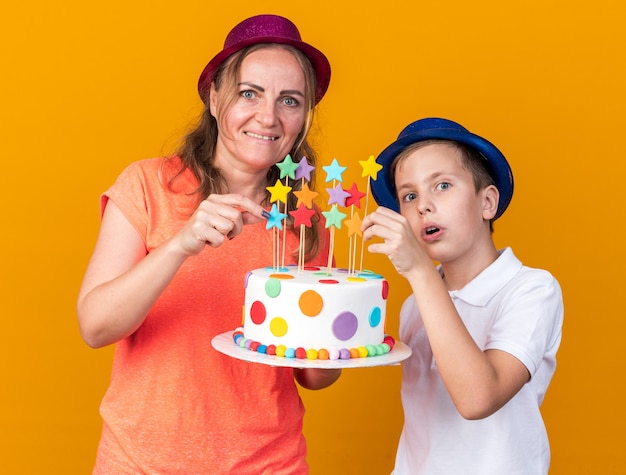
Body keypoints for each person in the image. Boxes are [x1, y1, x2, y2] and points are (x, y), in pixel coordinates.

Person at [77, 14, 341, 474]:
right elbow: (95, 327)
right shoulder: (147, 185)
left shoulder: (309, 222)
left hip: (269, 465)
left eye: (290, 100)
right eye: (249, 93)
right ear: (215, 96)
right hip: (140, 464)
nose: (268, 116)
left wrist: (341, 338)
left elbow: (315, 376)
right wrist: (181, 244)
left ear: (304, 116)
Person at [362, 118, 563, 474]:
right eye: (409, 196)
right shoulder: (415, 304)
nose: (423, 205)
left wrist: (420, 272)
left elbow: (477, 399)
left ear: (487, 202)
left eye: (441, 185)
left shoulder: (532, 289)